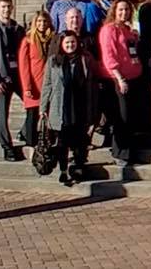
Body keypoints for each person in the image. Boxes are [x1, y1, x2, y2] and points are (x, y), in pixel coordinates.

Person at [39, 30, 97, 186]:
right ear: (61, 45)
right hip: (61, 108)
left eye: (72, 42)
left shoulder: (84, 60)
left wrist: (92, 111)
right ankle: (63, 170)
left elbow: (90, 86)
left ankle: (78, 167)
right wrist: (43, 108)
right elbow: (47, 85)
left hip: (80, 107)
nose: (70, 45)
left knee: (80, 141)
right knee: (62, 142)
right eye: (67, 43)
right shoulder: (53, 61)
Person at [99, 0, 146, 166]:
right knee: (122, 116)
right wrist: (119, 78)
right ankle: (120, 153)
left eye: (126, 9)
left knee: (131, 116)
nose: (123, 12)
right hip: (117, 79)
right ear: (114, 11)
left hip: (134, 78)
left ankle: (130, 152)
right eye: (120, 9)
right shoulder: (109, 29)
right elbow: (109, 56)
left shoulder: (128, 30)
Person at [0, 0, 26, 161]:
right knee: (3, 114)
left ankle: (25, 132)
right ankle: (7, 147)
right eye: (3, 7)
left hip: (19, 75)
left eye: (8, 6)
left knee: (33, 104)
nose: (6, 10)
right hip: (3, 77)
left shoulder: (19, 29)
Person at [16, 11, 53, 147]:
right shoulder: (28, 40)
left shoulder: (53, 39)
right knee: (32, 116)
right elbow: (24, 66)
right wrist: (27, 87)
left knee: (48, 116)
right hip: (34, 85)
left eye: (44, 21)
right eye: (39, 21)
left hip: (48, 84)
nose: (42, 24)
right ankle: (31, 146)